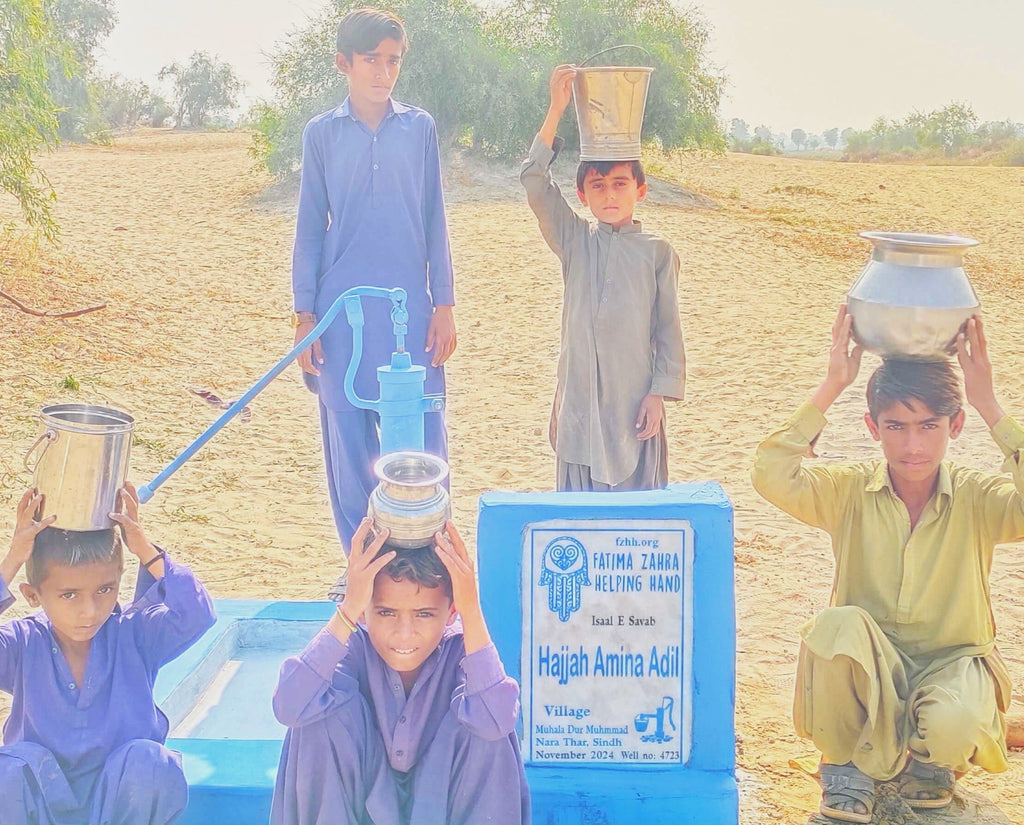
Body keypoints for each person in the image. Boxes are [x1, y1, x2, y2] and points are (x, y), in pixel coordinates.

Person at [751, 307, 1023, 823]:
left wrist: (989, 403)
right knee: (834, 626)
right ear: (873, 428)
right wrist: (833, 384)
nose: (913, 445)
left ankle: (929, 767)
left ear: (955, 425)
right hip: (867, 671)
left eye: (929, 426)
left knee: (955, 724)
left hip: (951, 665)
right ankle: (845, 768)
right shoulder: (849, 489)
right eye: (896, 426)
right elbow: (770, 472)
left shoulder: (978, 497)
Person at [291, 7, 457, 581]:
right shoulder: (321, 134)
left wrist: (445, 303)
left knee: (420, 433)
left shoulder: (420, 128)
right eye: (371, 60)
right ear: (344, 63)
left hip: (412, 309)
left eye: (393, 61)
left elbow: (435, 214)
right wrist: (304, 316)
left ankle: (428, 560)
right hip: (341, 312)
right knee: (346, 435)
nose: (383, 72)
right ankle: (362, 564)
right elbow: (311, 226)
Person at [270, 518, 529, 825]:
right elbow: (289, 706)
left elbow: (497, 719)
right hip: (360, 803)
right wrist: (348, 609)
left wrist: (471, 609)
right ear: (365, 610)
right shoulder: (352, 643)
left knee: (488, 724)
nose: (404, 634)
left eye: (423, 614)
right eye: (386, 612)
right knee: (314, 715)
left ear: (451, 612)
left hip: (442, 804)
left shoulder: (463, 648)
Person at [0, 483, 216, 825]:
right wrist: (14, 558)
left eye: (105, 590)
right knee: (9, 768)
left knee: (149, 760)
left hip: (123, 803)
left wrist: (145, 549)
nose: (89, 611)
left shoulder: (136, 633)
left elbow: (197, 613)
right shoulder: (22, 643)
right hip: (41, 804)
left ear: (119, 581)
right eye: (69, 595)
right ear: (32, 595)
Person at [520, 64, 685, 492]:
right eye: (598, 186)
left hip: (634, 407)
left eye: (619, 184)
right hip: (578, 403)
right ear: (583, 194)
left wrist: (658, 395)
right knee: (581, 517)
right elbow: (534, 181)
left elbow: (668, 333)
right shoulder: (575, 241)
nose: (609, 195)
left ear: (640, 190)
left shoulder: (657, 253)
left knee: (633, 524)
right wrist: (557, 108)